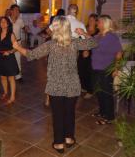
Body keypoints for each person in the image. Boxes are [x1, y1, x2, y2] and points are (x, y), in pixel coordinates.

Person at [12, 16, 97, 153]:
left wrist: (17, 47)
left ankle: (59, 143)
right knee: (69, 113)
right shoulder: (75, 43)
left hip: (55, 85)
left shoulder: (50, 44)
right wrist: (83, 34)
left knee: (58, 115)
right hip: (72, 85)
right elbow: (93, 43)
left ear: (56, 29)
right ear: (68, 28)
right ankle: (69, 138)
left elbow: (31, 54)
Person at [90, 15, 122, 125]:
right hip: (96, 68)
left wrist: (116, 68)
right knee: (99, 92)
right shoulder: (98, 35)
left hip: (106, 69)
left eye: (98, 22)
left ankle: (110, 117)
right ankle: (102, 112)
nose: (97, 24)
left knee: (106, 92)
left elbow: (119, 53)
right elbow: (91, 44)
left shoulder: (111, 37)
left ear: (104, 23)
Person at [0, 17, 19, 104]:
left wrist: (9, 51)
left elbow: (16, 47)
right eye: (1, 22)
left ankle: (12, 96)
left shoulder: (11, 34)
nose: (2, 23)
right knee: (2, 76)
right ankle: (5, 92)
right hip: (0, 57)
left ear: (8, 24)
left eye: (4, 22)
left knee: (11, 77)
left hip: (9, 58)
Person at [78, 13, 99, 99]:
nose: (90, 21)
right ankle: (84, 86)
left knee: (89, 72)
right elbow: (79, 40)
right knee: (80, 70)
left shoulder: (98, 32)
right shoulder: (84, 29)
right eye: (89, 19)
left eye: (92, 20)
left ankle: (90, 90)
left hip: (92, 54)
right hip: (82, 52)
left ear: (96, 22)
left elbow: (95, 42)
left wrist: (87, 50)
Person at [9, 4, 26, 82]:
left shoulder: (20, 20)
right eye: (16, 10)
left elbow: (24, 28)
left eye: (18, 10)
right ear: (11, 11)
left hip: (18, 42)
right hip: (9, 43)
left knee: (18, 59)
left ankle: (18, 76)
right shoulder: (7, 20)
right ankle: (10, 74)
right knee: (9, 59)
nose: (17, 12)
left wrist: (26, 29)